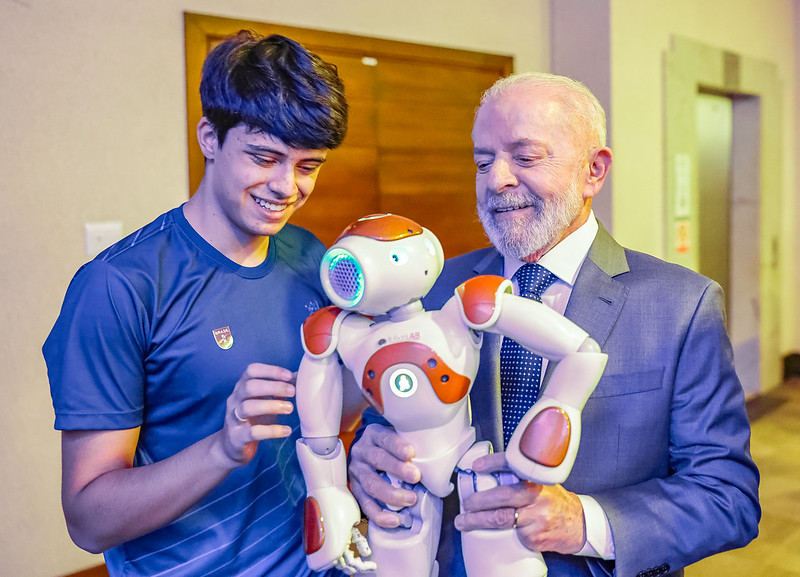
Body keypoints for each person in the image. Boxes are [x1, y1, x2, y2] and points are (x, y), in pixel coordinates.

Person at [347, 72, 760, 577]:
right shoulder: (433, 291)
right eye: (482, 161)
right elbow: (385, 414)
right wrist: (366, 458)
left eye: (525, 157)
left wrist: (581, 522)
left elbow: (726, 496)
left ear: (593, 171)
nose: (496, 180)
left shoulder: (681, 305)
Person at [43, 31, 349, 576]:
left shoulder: (309, 255)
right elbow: (88, 519)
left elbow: (323, 412)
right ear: (210, 136)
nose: (286, 186)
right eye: (265, 157)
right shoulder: (118, 286)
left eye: (309, 166)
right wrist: (222, 448)